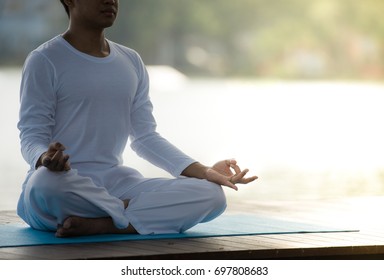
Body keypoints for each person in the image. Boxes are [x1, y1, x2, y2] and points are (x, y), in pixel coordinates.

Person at [17, 0, 258, 238]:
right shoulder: (44, 59)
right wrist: (43, 158)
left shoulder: (130, 60)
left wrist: (204, 171)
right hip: (63, 184)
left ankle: (105, 223)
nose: (110, 0)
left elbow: (145, 138)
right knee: (44, 186)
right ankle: (125, 211)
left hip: (115, 183)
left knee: (211, 195)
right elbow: (31, 136)